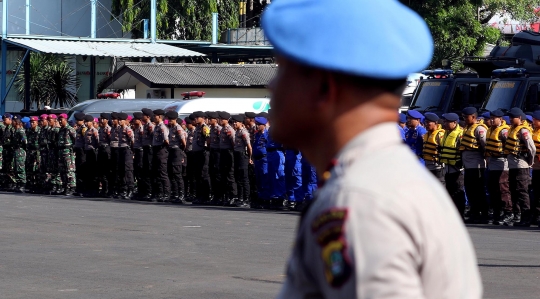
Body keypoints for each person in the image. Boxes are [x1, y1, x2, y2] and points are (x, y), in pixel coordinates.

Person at [262, 0, 481, 298]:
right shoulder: (383, 180)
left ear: (325, 88)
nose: (271, 87)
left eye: (282, 70)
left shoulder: (360, 201)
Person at [504, 107, 536, 227]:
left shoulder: (523, 131)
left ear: (520, 118)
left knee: (522, 191)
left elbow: (531, 148)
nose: (510, 119)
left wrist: (530, 161)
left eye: (513, 117)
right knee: (513, 191)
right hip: (512, 165)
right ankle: (518, 215)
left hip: (521, 165)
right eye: (510, 117)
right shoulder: (512, 129)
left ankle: (526, 217)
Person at [460, 106, 489, 224]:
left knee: (478, 190)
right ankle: (474, 212)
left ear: (473, 117)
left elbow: (485, 145)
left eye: (466, 117)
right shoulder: (467, 128)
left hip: (477, 164)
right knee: (470, 190)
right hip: (468, 165)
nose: (464, 119)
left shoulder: (479, 129)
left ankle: (483, 213)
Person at [484, 109, 511, 225]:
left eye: (494, 118)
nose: (491, 120)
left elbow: (509, 145)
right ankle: (496, 212)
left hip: (502, 162)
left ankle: (508, 212)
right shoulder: (490, 130)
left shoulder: (504, 131)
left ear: (501, 119)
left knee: (503, 189)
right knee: (493, 188)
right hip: (492, 162)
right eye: (491, 118)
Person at [166, 110, 187, 203]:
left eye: (170, 119)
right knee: (171, 174)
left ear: (174, 119)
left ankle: (181, 195)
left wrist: (180, 151)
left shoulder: (178, 128)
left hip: (177, 151)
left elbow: (184, 143)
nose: (169, 121)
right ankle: (175, 194)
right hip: (171, 151)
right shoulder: (171, 128)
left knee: (177, 174)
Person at [231, 114, 252, 207]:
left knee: (244, 178)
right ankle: (240, 198)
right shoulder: (237, 132)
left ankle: (246, 199)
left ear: (241, 123)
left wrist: (250, 157)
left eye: (236, 122)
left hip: (243, 155)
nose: (234, 124)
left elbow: (249, 147)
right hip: (237, 155)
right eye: (234, 122)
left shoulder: (244, 132)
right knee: (238, 177)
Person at [192, 111, 212, 204]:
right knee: (198, 175)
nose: (195, 119)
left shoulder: (205, 128)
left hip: (202, 153)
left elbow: (208, 140)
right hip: (197, 153)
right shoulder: (197, 128)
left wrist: (205, 149)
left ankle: (205, 196)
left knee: (204, 175)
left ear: (203, 118)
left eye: (197, 117)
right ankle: (199, 196)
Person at [218, 111, 237, 205]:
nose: (220, 120)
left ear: (226, 120)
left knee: (230, 175)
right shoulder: (223, 129)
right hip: (223, 153)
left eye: (221, 119)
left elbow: (234, 143)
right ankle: (226, 196)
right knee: (224, 175)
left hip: (228, 153)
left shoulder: (230, 129)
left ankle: (233, 196)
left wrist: (231, 154)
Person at [151, 109, 170, 202]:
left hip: (161, 150)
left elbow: (166, 140)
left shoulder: (162, 127)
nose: (154, 117)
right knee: (157, 172)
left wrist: (163, 149)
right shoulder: (156, 127)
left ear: (159, 116)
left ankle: (166, 193)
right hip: (156, 150)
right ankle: (160, 193)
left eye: (155, 115)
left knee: (163, 173)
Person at [421, 112, 445, 183]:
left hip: (437, 166)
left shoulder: (440, 134)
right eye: (425, 122)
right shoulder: (426, 134)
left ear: (435, 123)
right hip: (428, 165)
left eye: (428, 122)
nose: (426, 124)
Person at [56, 114, 76, 196]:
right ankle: (65, 186)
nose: (60, 121)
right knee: (62, 170)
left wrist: (73, 150)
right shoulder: (61, 130)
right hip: (61, 151)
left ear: (66, 119)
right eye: (59, 120)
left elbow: (75, 140)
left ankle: (72, 187)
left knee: (69, 170)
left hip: (68, 151)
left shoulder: (70, 129)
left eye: (62, 120)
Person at [252, 116, 269, 208]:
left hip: (264, 159)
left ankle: (265, 199)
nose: (257, 126)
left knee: (264, 178)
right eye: (256, 124)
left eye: (259, 125)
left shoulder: (267, 135)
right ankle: (260, 197)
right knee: (258, 179)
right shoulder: (257, 135)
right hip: (258, 159)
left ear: (263, 125)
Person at [116, 113, 135, 199]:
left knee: (128, 170)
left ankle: (130, 189)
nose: (119, 121)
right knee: (121, 170)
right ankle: (124, 189)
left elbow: (132, 141)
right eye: (119, 120)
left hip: (127, 150)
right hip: (120, 149)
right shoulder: (119, 129)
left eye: (121, 120)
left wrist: (132, 151)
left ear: (125, 121)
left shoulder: (128, 129)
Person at [207, 111, 222, 204]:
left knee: (217, 174)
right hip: (212, 151)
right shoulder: (211, 129)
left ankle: (219, 196)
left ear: (216, 120)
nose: (208, 120)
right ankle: (214, 195)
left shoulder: (218, 129)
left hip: (218, 153)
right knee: (212, 173)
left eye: (210, 119)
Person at [83, 115, 99, 197]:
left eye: (87, 121)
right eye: (85, 121)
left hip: (93, 152)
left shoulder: (94, 131)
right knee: (88, 171)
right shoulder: (86, 131)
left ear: (91, 122)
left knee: (93, 171)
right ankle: (89, 189)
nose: (86, 123)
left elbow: (97, 142)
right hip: (87, 152)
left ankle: (95, 189)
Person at [97, 113, 112, 197]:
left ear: (107, 120)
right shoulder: (101, 129)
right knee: (101, 170)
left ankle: (107, 189)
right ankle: (103, 189)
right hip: (101, 149)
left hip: (106, 149)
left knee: (106, 170)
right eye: (101, 119)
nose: (101, 121)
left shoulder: (108, 129)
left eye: (103, 119)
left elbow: (110, 140)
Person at [11, 116, 27, 192]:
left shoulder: (20, 131)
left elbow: (25, 141)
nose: (12, 122)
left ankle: (22, 184)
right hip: (16, 150)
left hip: (20, 150)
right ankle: (18, 183)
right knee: (16, 167)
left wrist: (22, 146)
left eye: (13, 121)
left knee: (21, 168)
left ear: (16, 122)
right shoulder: (15, 130)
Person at [73, 112, 87, 196]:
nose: (77, 122)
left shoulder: (83, 129)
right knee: (78, 170)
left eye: (78, 120)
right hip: (78, 151)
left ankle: (83, 189)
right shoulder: (79, 128)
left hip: (82, 151)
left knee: (82, 170)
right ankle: (79, 188)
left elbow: (86, 140)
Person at [25, 116, 41, 193]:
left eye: (33, 122)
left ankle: (37, 184)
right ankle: (31, 184)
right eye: (31, 122)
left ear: (37, 123)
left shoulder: (40, 131)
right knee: (29, 168)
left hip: (37, 152)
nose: (31, 123)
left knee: (37, 168)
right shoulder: (28, 131)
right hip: (30, 151)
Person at [131, 112, 144, 199]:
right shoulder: (136, 129)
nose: (134, 120)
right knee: (137, 172)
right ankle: (139, 191)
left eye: (136, 119)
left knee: (141, 171)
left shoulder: (142, 129)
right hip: (137, 151)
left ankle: (142, 191)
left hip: (141, 151)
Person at [531, 110, 540, 225]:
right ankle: (536, 215)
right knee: (536, 191)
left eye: (535, 120)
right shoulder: (533, 131)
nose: (533, 122)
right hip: (536, 166)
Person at [185, 115, 197, 201]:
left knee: (194, 175)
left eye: (187, 124)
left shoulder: (195, 131)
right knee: (190, 175)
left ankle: (194, 193)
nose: (186, 125)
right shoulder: (190, 132)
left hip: (193, 154)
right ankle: (191, 193)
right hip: (189, 154)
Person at [1, 113, 15, 190]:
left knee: (11, 166)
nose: (3, 121)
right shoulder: (6, 128)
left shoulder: (12, 128)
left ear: (10, 119)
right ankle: (6, 182)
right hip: (6, 149)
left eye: (5, 119)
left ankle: (12, 182)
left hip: (11, 149)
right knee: (5, 166)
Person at [38, 114, 50, 194]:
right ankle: (43, 186)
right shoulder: (42, 130)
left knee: (48, 169)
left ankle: (48, 186)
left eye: (43, 121)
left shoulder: (49, 130)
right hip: (42, 152)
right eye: (40, 121)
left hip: (48, 152)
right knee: (42, 169)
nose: (41, 122)